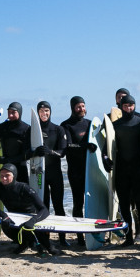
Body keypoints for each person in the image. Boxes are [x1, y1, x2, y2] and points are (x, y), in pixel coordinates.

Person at [0, 163, 58, 256]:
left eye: (7, 176)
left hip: (31, 219)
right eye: (2, 176)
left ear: (14, 175)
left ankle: (47, 245)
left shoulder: (24, 188)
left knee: (51, 250)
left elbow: (44, 210)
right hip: (16, 219)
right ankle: (23, 244)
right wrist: (4, 216)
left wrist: (32, 221)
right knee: (5, 224)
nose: (4, 179)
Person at [111, 94, 140, 247]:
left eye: (131, 105)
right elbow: (110, 148)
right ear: (121, 107)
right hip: (121, 171)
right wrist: (107, 160)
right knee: (124, 205)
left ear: (135, 105)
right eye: (126, 106)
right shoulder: (116, 125)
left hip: (137, 170)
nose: (129, 108)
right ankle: (129, 238)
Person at [33, 101, 71, 248]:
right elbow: (27, 150)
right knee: (43, 207)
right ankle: (45, 238)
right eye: (41, 111)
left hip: (55, 174)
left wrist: (50, 152)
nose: (44, 113)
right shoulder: (33, 130)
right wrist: (34, 152)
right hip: (39, 174)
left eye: (47, 110)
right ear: (38, 112)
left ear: (50, 112)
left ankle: (62, 238)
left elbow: (63, 152)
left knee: (59, 206)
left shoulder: (58, 129)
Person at [60, 96, 94, 224]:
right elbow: (68, 146)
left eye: (83, 106)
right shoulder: (66, 125)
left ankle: (91, 230)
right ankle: (79, 235)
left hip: (90, 170)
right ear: (73, 108)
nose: (81, 109)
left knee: (92, 202)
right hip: (75, 172)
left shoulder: (90, 124)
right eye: (78, 106)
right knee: (78, 202)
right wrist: (85, 146)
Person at [0, 102, 31, 183]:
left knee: (21, 193)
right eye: (9, 112)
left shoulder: (27, 129)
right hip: (4, 170)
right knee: (5, 194)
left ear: (19, 112)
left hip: (21, 169)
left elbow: (28, 154)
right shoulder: (1, 128)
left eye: (13, 112)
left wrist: (7, 160)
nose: (10, 115)